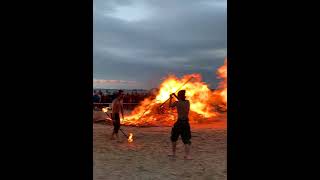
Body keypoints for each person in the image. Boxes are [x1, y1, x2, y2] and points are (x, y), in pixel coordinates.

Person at [168, 90, 192, 160]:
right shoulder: (188, 102)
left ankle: (173, 153)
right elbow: (181, 100)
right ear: (184, 96)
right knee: (186, 139)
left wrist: (170, 98)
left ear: (179, 96)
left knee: (174, 138)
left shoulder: (177, 103)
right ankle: (187, 156)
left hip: (179, 123)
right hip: (186, 123)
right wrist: (175, 96)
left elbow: (170, 106)